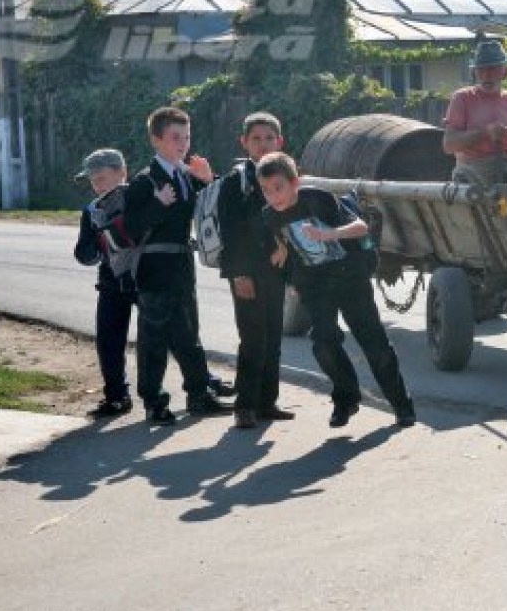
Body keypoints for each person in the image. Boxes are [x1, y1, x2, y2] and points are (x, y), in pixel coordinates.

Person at [256, 151, 416, 429]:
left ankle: (401, 404)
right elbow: (283, 241)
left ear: (295, 183)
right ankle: (347, 399)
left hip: (349, 277)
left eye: (278, 188)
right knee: (323, 346)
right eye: (266, 190)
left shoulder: (318, 199)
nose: (273, 196)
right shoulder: (269, 215)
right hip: (315, 286)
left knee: (374, 344)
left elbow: (360, 227)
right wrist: (283, 261)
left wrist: (328, 234)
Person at [124, 106, 233, 425]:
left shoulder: (187, 177)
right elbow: (131, 229)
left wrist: (208, 179)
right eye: (175, 137)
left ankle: (199, 395)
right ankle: (153, 401)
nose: (183, 143)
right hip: (154, 269)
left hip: (183, 265)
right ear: (156, 140)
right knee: (154, 338)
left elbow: (218, 207)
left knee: (189, 335)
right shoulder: (144, 182)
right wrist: (158, 205)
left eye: (187, 137)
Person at [216, 112, 294, 429]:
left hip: (276, 271)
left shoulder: (286, 178)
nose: (263, 145)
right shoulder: (236, 182)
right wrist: (239, 275)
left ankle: (266, 403)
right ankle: (245, 405)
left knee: (274, 337)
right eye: (256, 139)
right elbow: (231, 234)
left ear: (280, 142)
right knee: (252, 339)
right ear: (244, 143)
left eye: (269, 138)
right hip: (246, 273)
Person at [73, 149, 136, 418]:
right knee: (108, 340)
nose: (96, 185)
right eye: (92, 181)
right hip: (111, 282)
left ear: (122, 172)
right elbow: (83, 252)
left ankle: (202, 383)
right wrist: (96, 246)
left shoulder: (140, 198)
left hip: (146, 278)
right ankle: (116, 396)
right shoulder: (92, 211)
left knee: (170, 334)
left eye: (101, 178)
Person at [443, 40, 507, 186]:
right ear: (474, 72)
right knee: (487, 184)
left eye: (493, 69)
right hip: (475, 169)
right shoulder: (462, 98)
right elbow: (449, 145)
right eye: (482, 69)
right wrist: (485, 133)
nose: (487, 75)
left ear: (505, 72)